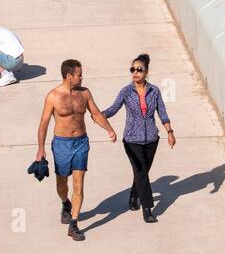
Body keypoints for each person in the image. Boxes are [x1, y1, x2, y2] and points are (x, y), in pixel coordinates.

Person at [36, 59, 117, 242]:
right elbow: (43, 124)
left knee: (79, 184)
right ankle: (65, 203)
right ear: (69, 76)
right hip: (61, 144)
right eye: (79, 75)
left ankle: (74, 224)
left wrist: (109, 129)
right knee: (62, 183)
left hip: (81, 142)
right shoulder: (53, 97)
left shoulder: (85, 93)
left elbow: (95, 114)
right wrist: (40, 149)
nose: (82, 78)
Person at [104, 54, 174, 222]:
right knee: (141, 171)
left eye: (139, 70)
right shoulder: (126, 91)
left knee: (142, 172)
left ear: (146, 72)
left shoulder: (154, 90)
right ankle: (148, 208)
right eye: (132, 69)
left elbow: (162, 112)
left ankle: (134, 194)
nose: (135, 72)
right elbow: (114, 108)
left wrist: (169, 132)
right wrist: (99, 115)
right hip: (131, 140)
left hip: (151, 138)